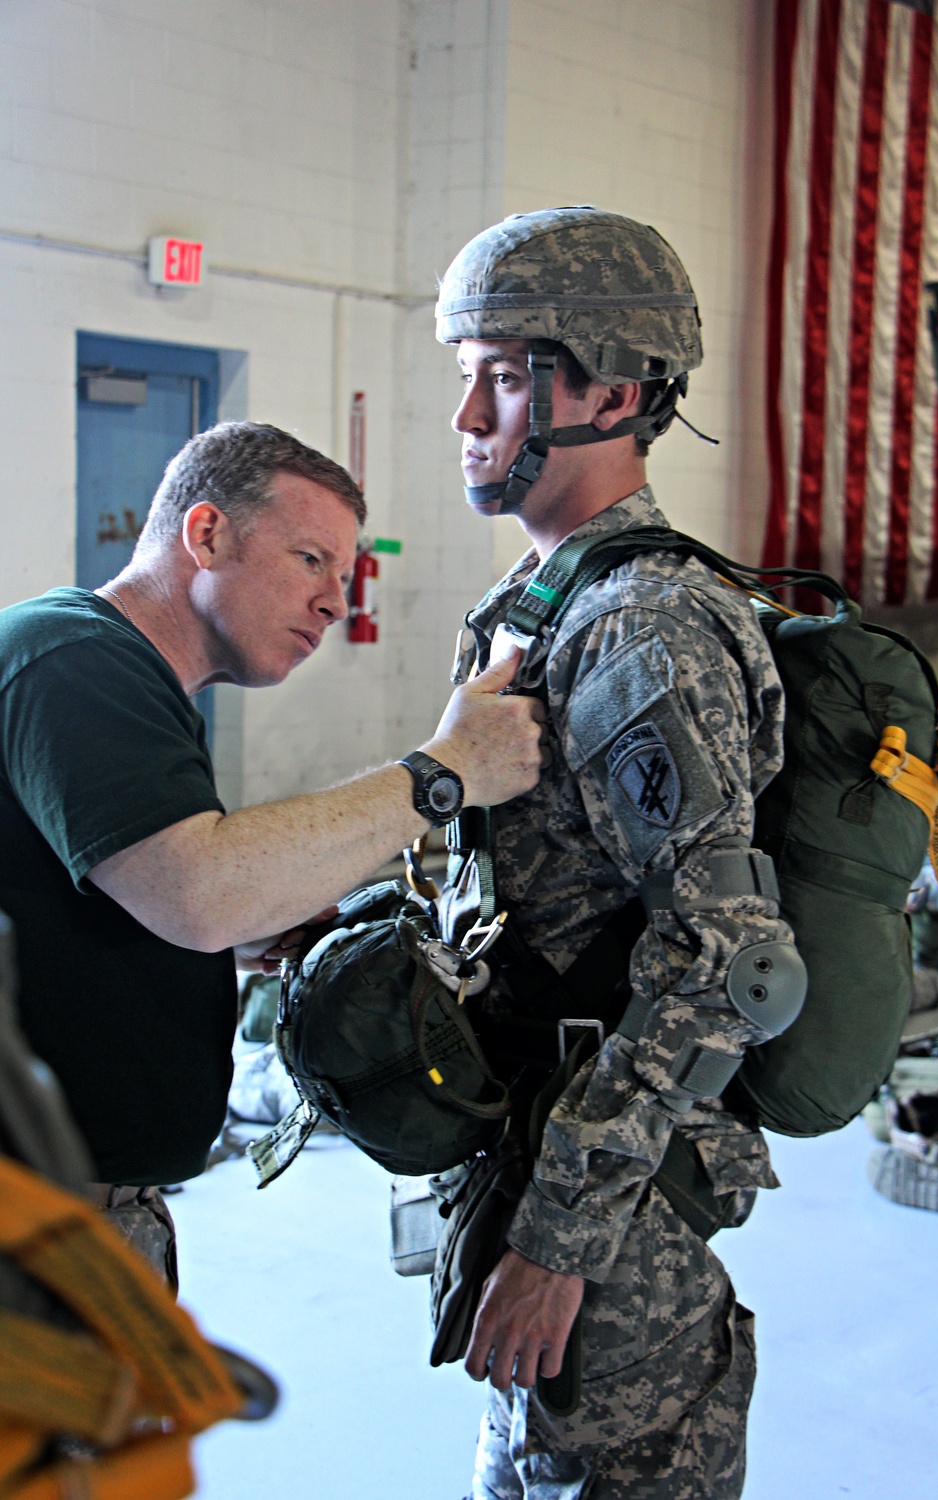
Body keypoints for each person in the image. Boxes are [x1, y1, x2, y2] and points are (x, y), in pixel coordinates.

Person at [434, 208, 803, 1498]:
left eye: (506, 374)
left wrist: (563, 1237)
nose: (468, 412)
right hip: (547, 1152)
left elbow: (729, 961)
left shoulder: (641, 632)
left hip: (617, 1227)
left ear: (617, 389)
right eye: (463, 373)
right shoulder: (555, 604)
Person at [0, 421, 543, 1285]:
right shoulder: (73, 658)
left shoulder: (124, 679)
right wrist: (445, 774)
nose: (335, 600)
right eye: (310, 560)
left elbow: (124, 898)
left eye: (347, 574)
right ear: (206, 533)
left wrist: (227, 940)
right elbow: (197, 888)